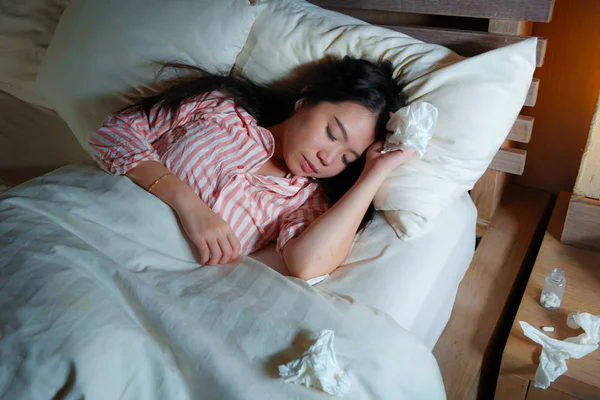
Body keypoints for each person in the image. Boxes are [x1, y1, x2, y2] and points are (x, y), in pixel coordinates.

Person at [89, 56, 414, 280]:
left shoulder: (305, 200)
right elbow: (112, 134)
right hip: (94, 223)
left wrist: (373, 174)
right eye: (331, 133)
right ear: (305, 101)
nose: (328, 158)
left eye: (347, 159)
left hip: (151, 283)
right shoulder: (218, 107)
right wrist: (187, 203)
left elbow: (307, 265)